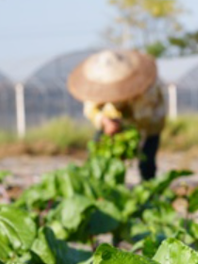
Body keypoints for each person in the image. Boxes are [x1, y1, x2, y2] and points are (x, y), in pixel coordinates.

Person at [67, 49, 166, 181]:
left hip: (149, 123)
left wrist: (123, 129)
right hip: (113, 120)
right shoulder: (98, 85)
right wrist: (105, 121)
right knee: (96, 152)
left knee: (147, 159)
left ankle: (149, 188)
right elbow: (90, 109)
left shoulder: (146, 88)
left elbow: (143, 117)